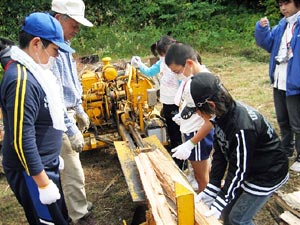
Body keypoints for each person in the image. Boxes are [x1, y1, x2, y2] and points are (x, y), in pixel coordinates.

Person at [0, 12, 74, 225]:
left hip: (44, 166)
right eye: (54, 50)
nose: (56, 57)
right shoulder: (21, 81)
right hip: (32, 172)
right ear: (36, 44)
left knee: (59, 218)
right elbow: (22, 139)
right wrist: (42, 183)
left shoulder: (35, 73)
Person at [187, 73, 289, 224]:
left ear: (211, 105)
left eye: (197, 110)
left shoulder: (242, 127)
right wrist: (213, 186)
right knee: (227, 213)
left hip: (267, 174)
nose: (196, 113)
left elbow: (239, 169)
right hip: (250, 168)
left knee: (238, 219)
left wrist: (222, 198)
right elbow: (220, 151)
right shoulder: (220, 115)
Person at [49, 0, 96, 224]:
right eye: (74, 25)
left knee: (71, 164)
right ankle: (79, 214)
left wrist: (79, 109)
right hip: (57, 117)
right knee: (72, 169)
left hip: (68, 111)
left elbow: (70, 82)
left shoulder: (64, 45)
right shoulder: (50, 49)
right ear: (59, 19)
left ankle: (76, 204)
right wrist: (70, 128)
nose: (76, 30)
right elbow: (54, 92)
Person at [254, 0, 300, 172]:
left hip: (295, 81)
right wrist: (262, 29)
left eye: (286, 3)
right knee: (282, 118)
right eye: (280, 4)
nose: (283, 8)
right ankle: (286, 149)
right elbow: (267, 44)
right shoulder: (282, 25)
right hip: (279, 79)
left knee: (297, 122)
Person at [131, 35, 186, 170]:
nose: (163, 58)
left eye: (164, 54)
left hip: (176, 103)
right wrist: (139, 65)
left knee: (178, 133)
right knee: (171, 131)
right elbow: (150, 72)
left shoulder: (178, 63)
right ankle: (176, 155)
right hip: (166, 102)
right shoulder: (162, 62)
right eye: (161, 55)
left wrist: (181, 102)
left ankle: (182, 163)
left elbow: (182, 84)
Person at [164, 43, 214, 192]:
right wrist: (183, 115)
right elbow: (192, 104)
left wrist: (191, 143)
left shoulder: (202, 83)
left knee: (201, 176)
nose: (176, 75)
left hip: (198, 134)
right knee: (203, 168)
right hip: (192, 131)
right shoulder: (193, 78)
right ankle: (208, 189)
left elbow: (210, 120)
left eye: (177, 71)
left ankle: (205, 204)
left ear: (189, 63)